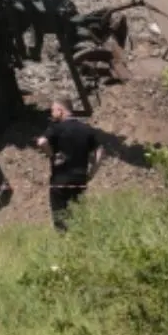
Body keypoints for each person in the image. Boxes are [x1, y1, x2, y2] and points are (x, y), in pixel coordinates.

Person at [35, 96, 105, 233]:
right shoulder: (86, 129)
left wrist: (51, 155)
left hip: (60, 179)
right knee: (78, 213)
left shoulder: (56, 128)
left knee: (60, 216)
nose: (51, 114)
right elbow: (100, 151)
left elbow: (42, 142)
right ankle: (80, 238)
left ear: (61, 111)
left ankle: (63, 239)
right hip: (80, 178)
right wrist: (92, 173)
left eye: (53, 110)